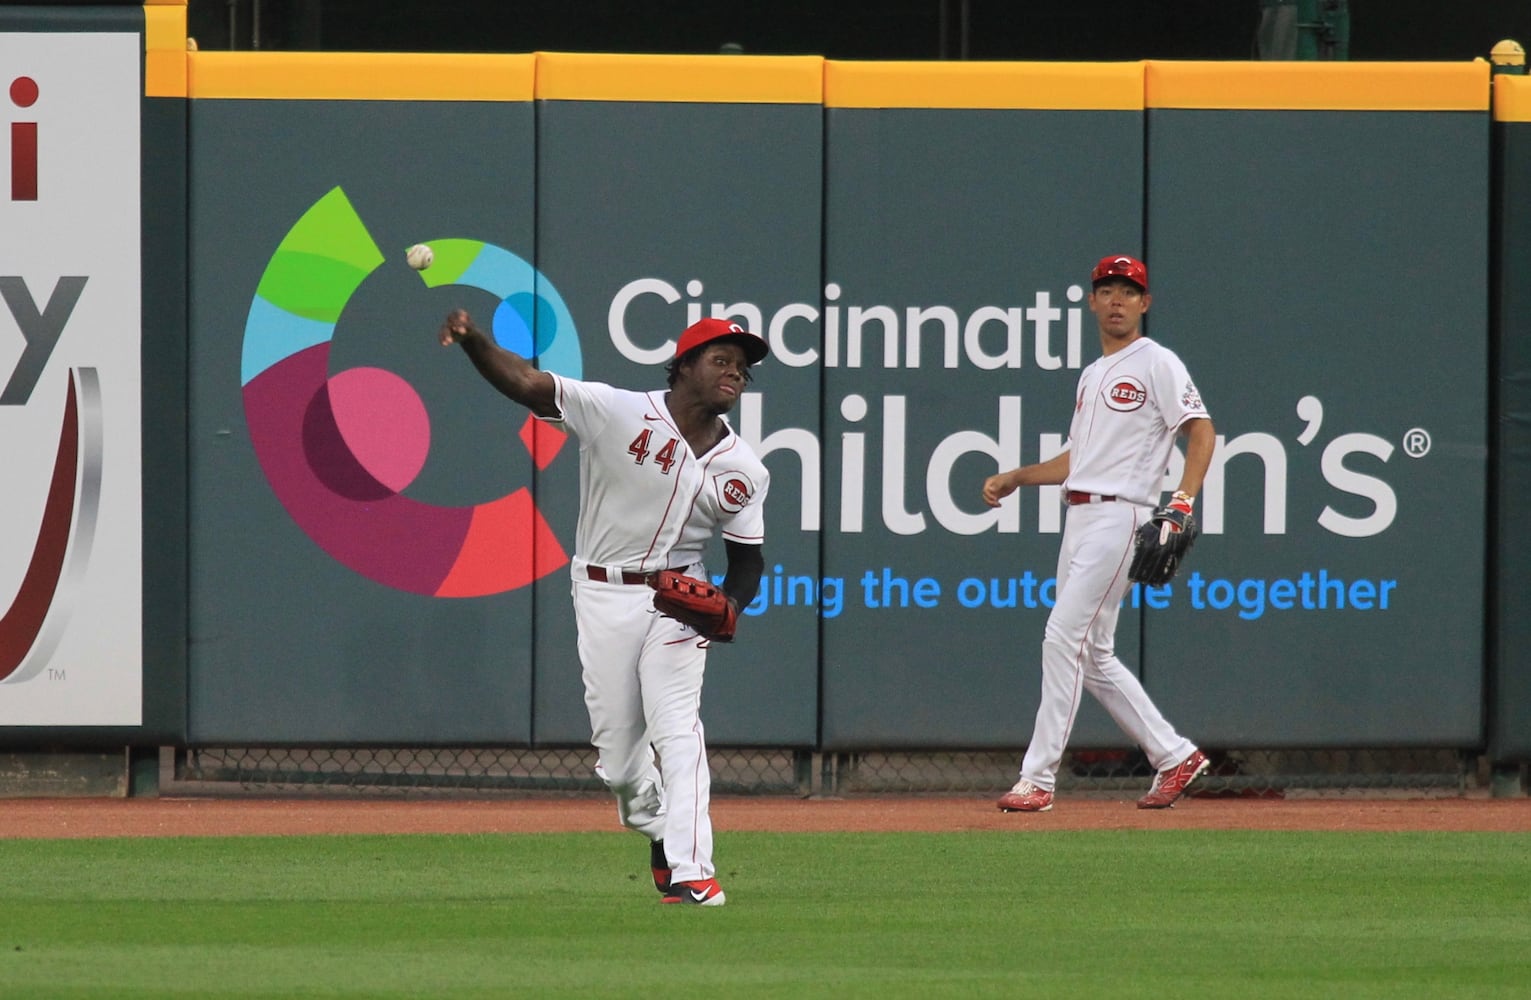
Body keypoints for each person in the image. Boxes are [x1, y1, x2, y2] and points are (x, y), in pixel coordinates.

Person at [439, 308, 770, 904]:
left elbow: (748, 562)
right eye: (721, 360)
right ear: (684, 366)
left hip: (678, 598)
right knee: (620, 766)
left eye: (743, 369)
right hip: (601, 591)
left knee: (677, 728)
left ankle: (693, 872)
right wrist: (473, 341)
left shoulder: (745, 468)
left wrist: (730, 605)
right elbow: (527, 384)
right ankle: (658, 830)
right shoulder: (617, 410)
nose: (735, 374)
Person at [981, 254, 1215, 812]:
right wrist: (1018, 476)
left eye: (1128, 291)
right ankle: (1174, 753)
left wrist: (1181, 502)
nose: (1116, 299)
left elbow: (1201, 431)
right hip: (1081, 514)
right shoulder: (1093, 373)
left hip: (1123, 515)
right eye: (1106, 289)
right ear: (1091, 301)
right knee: (1094, 653)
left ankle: (1037, 778)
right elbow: (1079, 461)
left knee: (1063, 636)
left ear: (1145, 303)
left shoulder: (1156, 361)